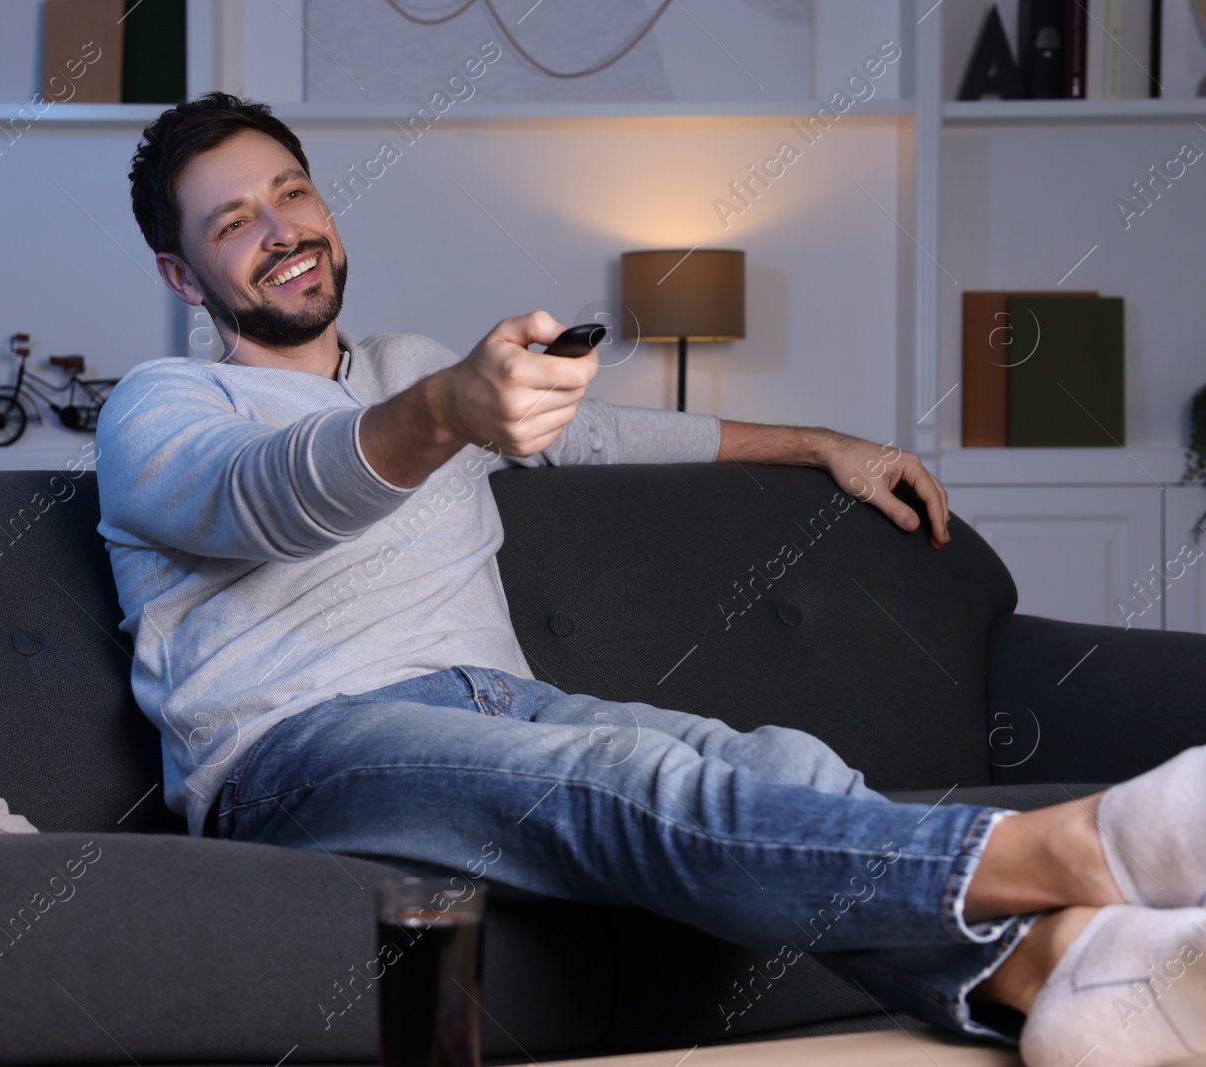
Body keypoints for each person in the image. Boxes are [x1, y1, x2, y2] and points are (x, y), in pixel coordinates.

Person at [94, 92, 1206, 1066]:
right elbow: (271, 493)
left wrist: (819, 441)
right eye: (233, 222)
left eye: (292, 194)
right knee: (613, 771)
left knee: (764, 761)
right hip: (299, 751)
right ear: (180, 273)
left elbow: (605, 433)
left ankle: (1060, 974)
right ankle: (1076, 845)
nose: (281, 231)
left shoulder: (403, 364)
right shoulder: (162, 408)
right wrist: (440, 414)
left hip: (505, 705)